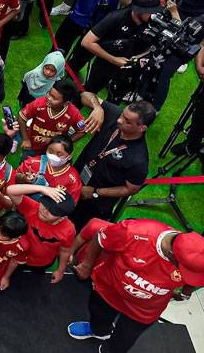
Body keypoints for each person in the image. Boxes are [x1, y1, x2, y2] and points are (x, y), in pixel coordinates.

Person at [69, 222, 204, 352]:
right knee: (99, 314)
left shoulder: (198, 255)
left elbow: (196, 277)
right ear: (171, 254)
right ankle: (98, 331)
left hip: (144, 311)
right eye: (187, 270)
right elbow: (100, 237)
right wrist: (86, 265)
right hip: (110, 289)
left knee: (124, 340)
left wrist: (186, 293)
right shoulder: (134, 232)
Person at [70, 95, 152, 232]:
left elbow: (131, 189)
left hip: (94, 203)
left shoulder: (139, 160)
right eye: (122, 114)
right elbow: (85, 95)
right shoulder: (114, 114)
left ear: (142, 128)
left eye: (127, 121)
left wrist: (96, 192)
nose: (119, 120)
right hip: (75, 179)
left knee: (74, 229)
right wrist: (97, 108)